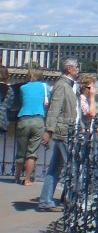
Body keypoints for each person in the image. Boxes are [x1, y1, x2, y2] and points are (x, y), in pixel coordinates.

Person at [38, 59, 80, 211]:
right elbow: (54, 109)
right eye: (76, 67)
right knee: (73, 166)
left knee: (55, 167)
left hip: (68, 130)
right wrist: (48, 130)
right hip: (63, 132)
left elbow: (74, 110)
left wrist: (80, 126)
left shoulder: (70, 85)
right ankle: (73, 201)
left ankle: (45, 200)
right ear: (69, 68)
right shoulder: (62, 85)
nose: (78, 69)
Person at [14, 68, 49, 186]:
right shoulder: (45, 88)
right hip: (38, 120)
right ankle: (27, 179)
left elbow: (22, 101)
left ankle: (17, 178)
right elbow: (47, 103)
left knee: (20, 151)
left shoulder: (22, 88)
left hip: (23, 119)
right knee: (32, 153)